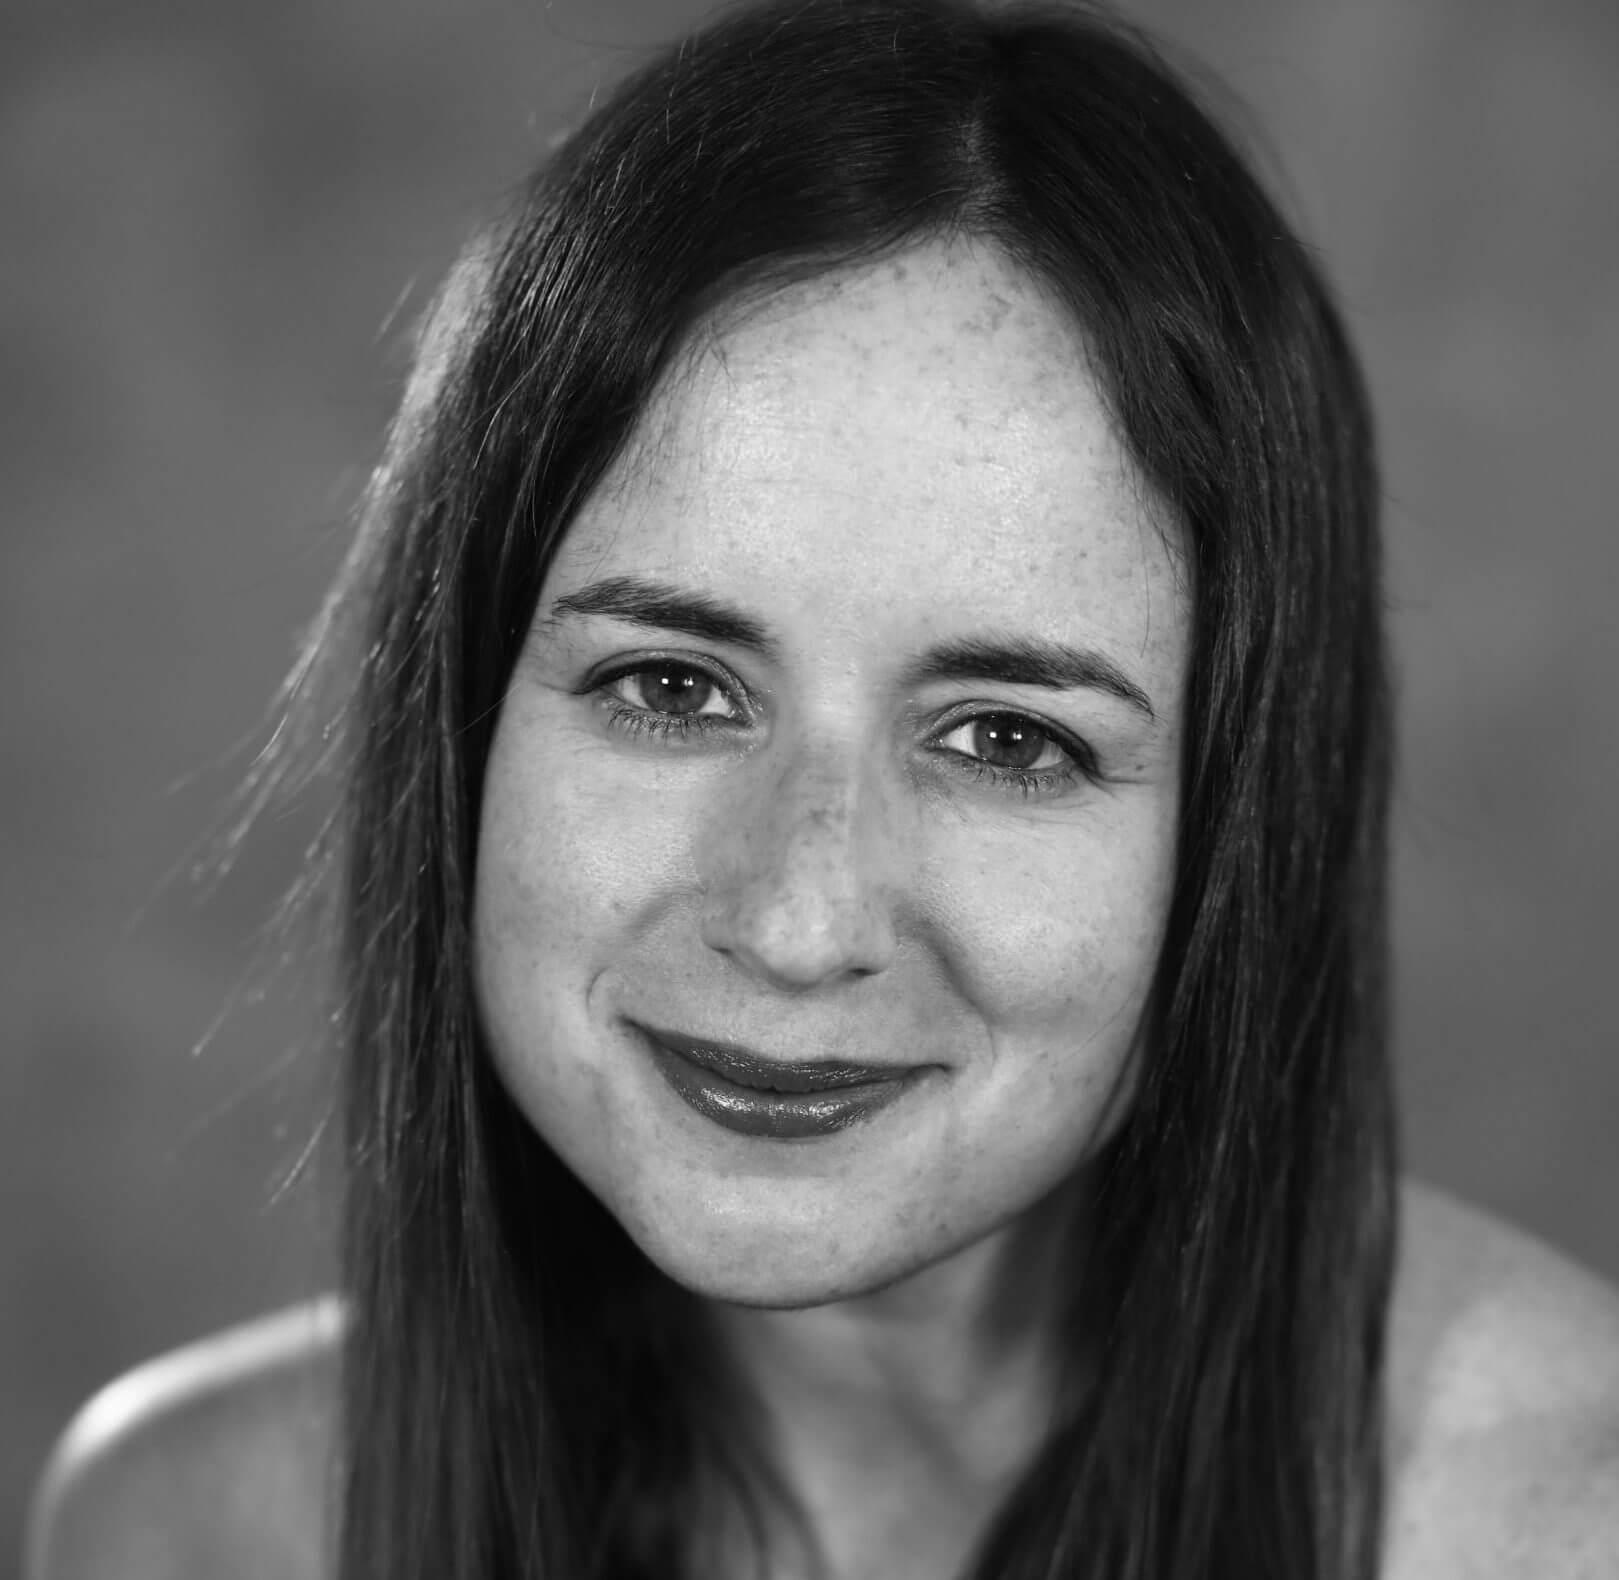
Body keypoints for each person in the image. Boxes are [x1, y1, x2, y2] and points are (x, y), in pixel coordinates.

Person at [26, 1, 1619, 1577]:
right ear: (467, 722)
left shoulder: (1562, 1523)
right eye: (671, 689)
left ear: (1238, 818)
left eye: (1008, 739)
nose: (796, 922)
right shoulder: (190, 1528)